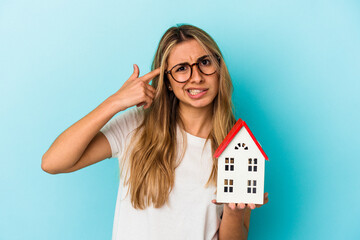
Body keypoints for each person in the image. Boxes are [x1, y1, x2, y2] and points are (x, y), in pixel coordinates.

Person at [41, 24, 268, 240]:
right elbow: (53, 162)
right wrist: (116, 102)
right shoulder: (136, 127)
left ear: (219, 69)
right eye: (181, 69)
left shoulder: (239, 148)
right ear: (168, 81)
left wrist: (234, 212)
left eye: (205, 62)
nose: (196, 77)